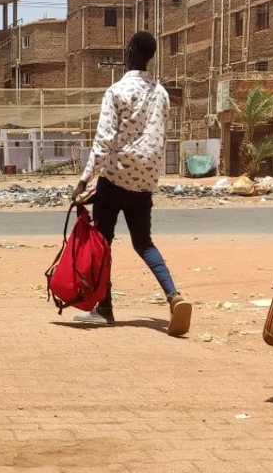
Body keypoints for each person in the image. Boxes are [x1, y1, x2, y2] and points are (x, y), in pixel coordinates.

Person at [71, 31, 192, 337]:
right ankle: (173, 295)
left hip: (114, 177)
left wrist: (84, 180)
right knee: (143, 243)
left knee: (102, 244)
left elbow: (103, 140)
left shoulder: (117, 91)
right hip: (145, 181)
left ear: (129, 51)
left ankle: (105, 309)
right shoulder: (161, 94)